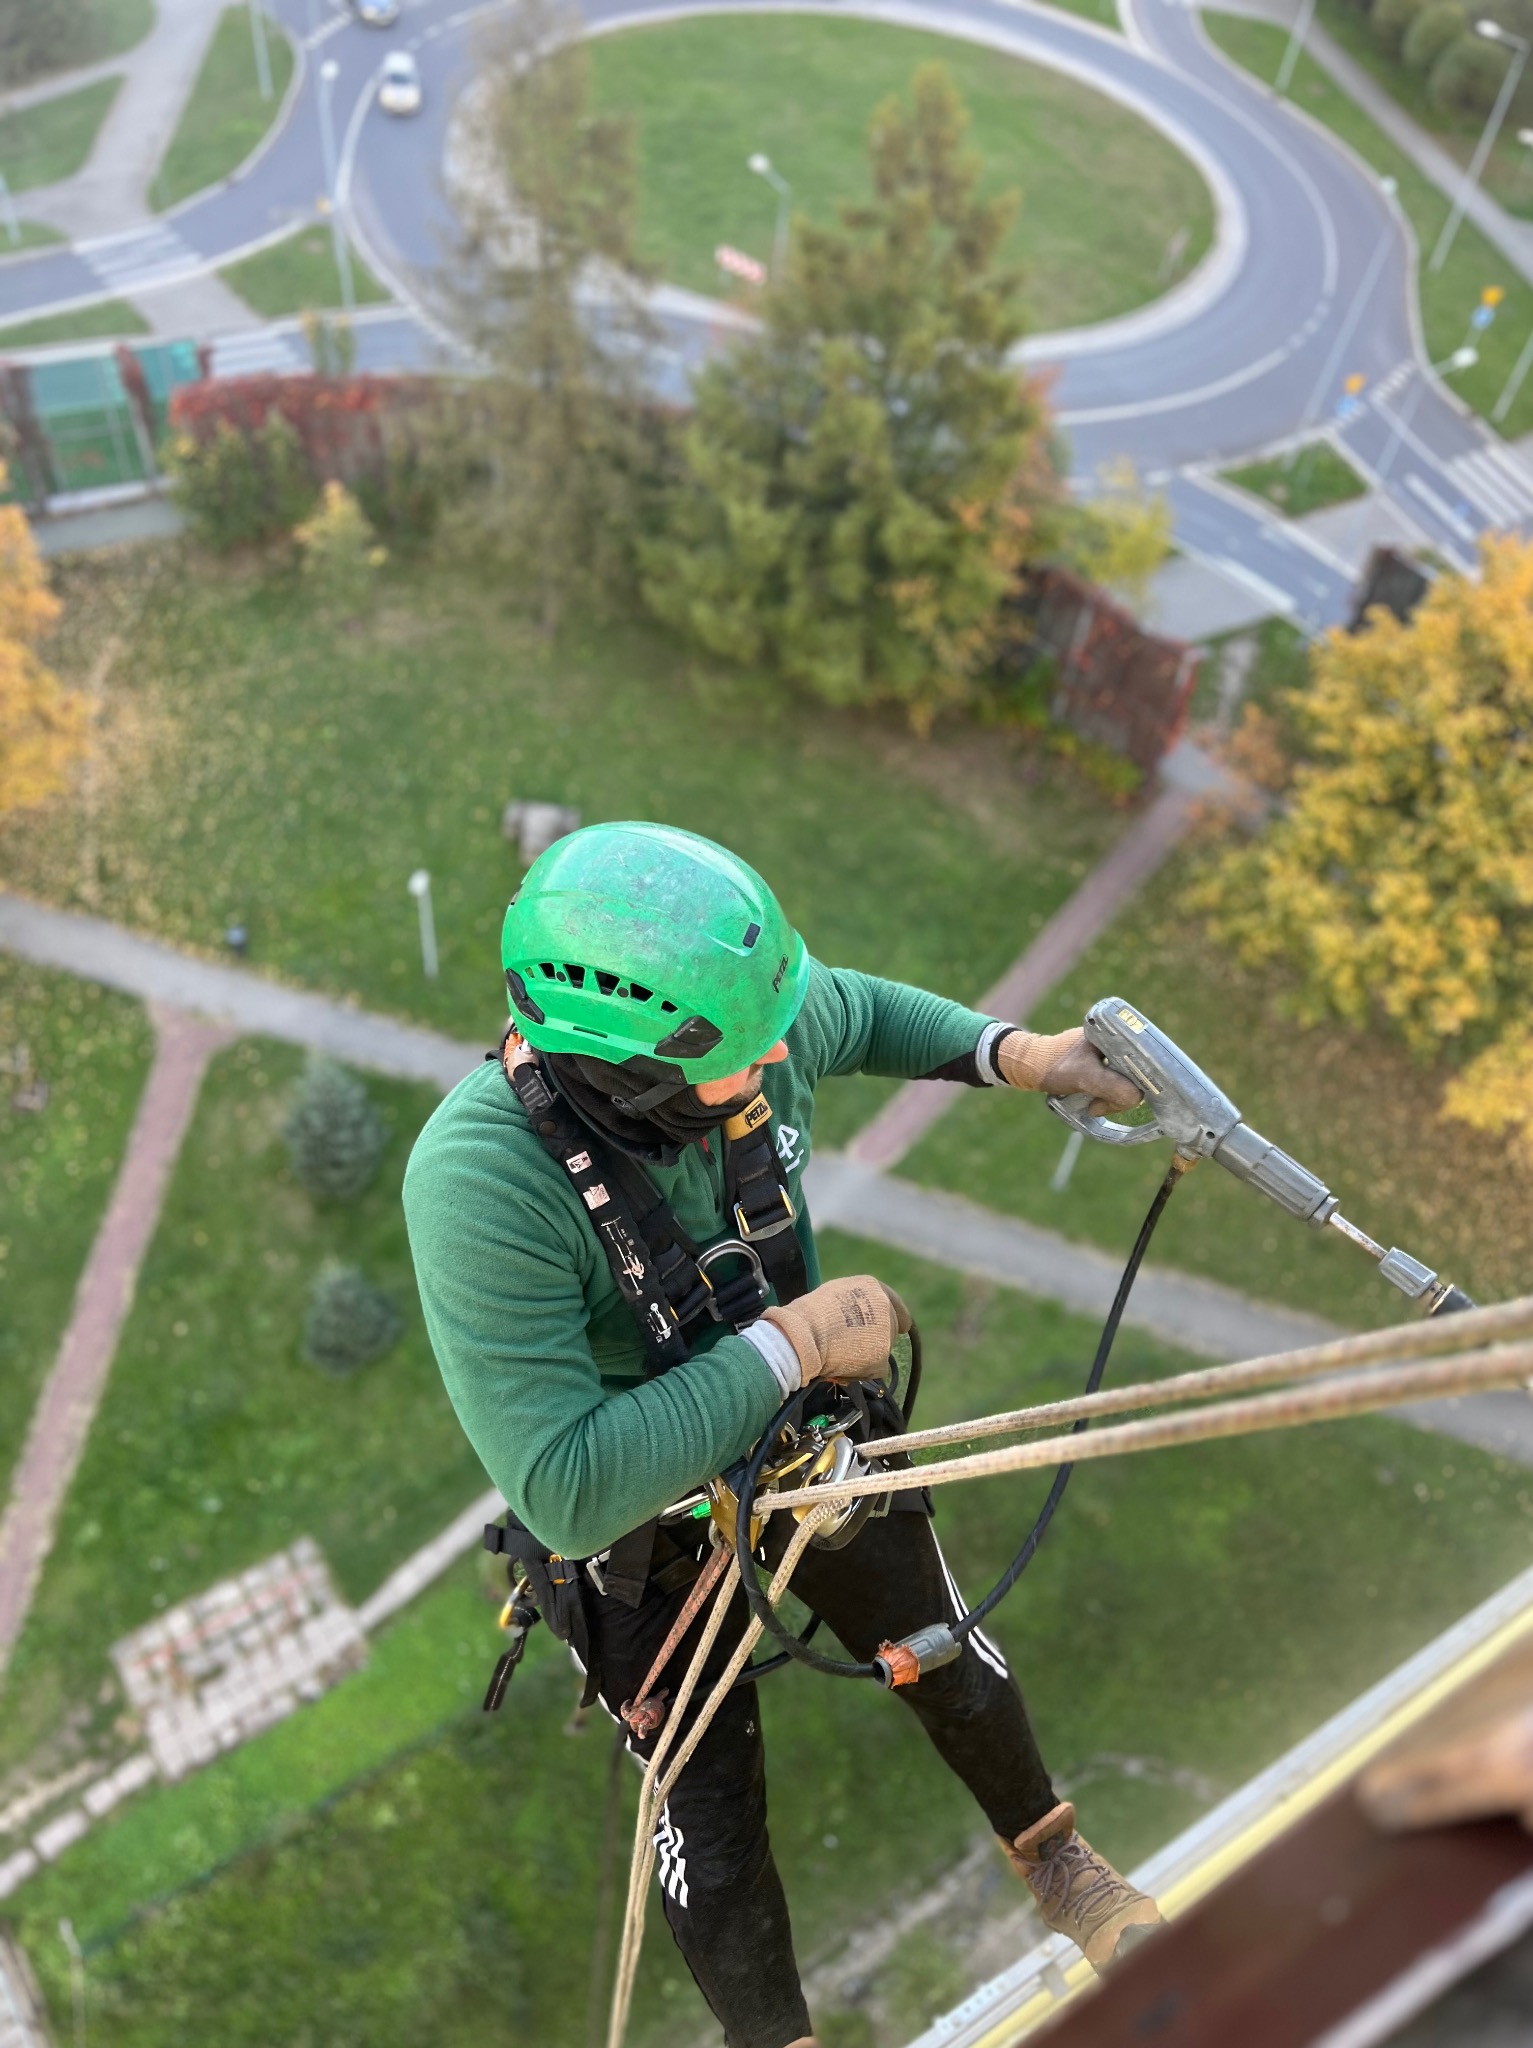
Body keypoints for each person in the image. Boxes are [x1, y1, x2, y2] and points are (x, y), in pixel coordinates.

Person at [404, 821, 1161, 2048]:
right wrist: (797, 1344)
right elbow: (568, 1483)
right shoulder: (483, 1183)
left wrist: (1024, 1055)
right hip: (640, 1534)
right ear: (626, 1075)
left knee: (941, 1638)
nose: (777, 1055)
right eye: (742, 1055)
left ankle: (1060, 1862)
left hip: (799, 1454)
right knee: (710, 1805)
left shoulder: (740, 1028)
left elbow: (847, 1009)